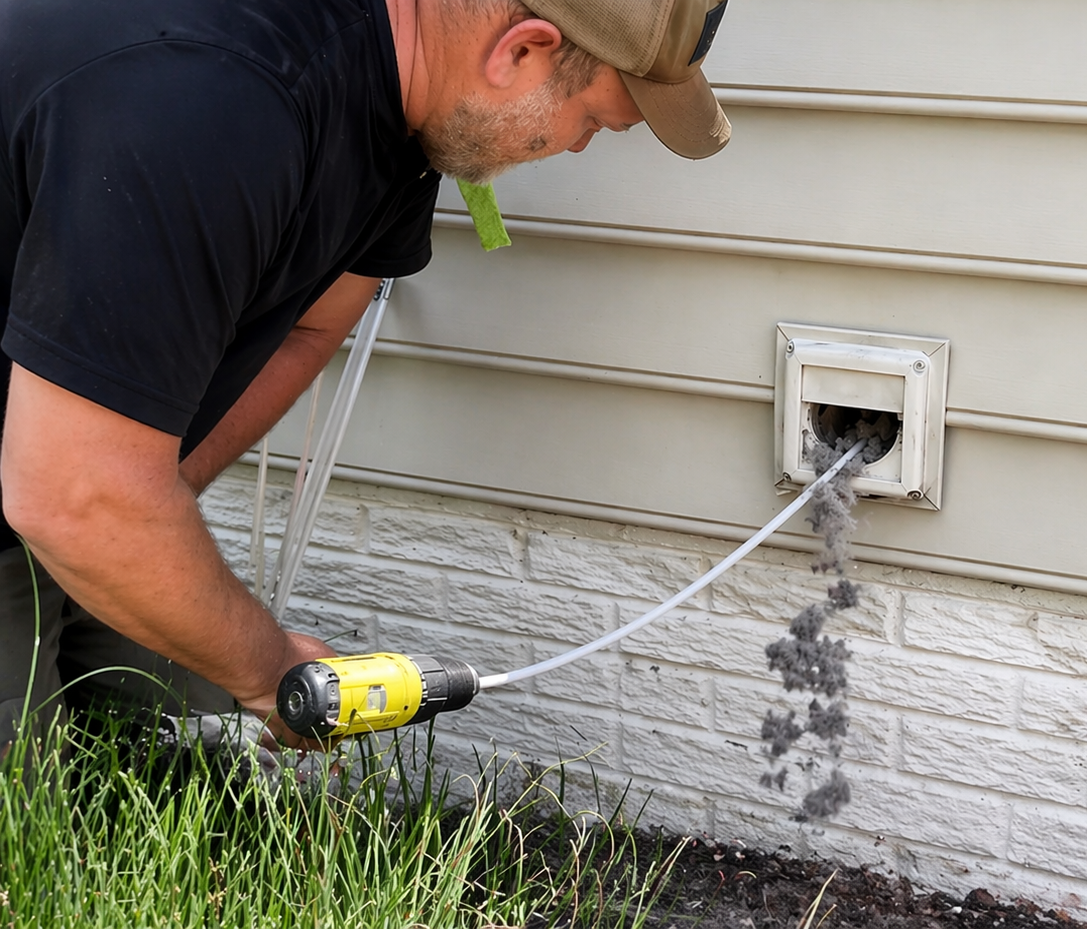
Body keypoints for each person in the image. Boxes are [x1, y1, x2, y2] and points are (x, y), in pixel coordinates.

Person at [0, 0, 732, 749]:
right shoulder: (215, 96)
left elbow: (310, 326)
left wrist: (153, 499)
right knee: (30, 824)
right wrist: (267, 669)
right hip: (51, 478)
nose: (575, 149)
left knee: (163, 746)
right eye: (593, 122)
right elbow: (72, 495)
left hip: (65, 465)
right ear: (521, 51)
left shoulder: (416, 116)